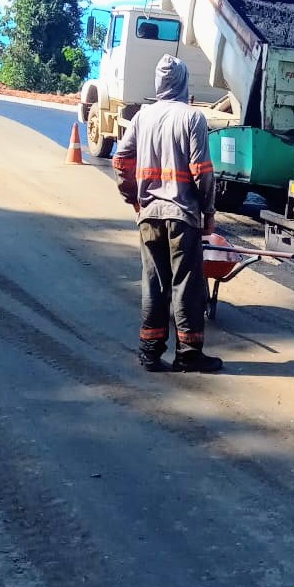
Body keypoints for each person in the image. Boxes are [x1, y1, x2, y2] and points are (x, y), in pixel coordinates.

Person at [112, 54, 222, 373]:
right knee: (185, 284)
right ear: (184, 83)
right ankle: (188, 354)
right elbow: (202, 172)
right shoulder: (192, 118)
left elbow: (121, 161)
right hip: (181, 215)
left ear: (159, 84)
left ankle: (149, 351)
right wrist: (209, 212)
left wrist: (133, 199)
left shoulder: (142, 117)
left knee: (154, 282)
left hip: (149, 215)